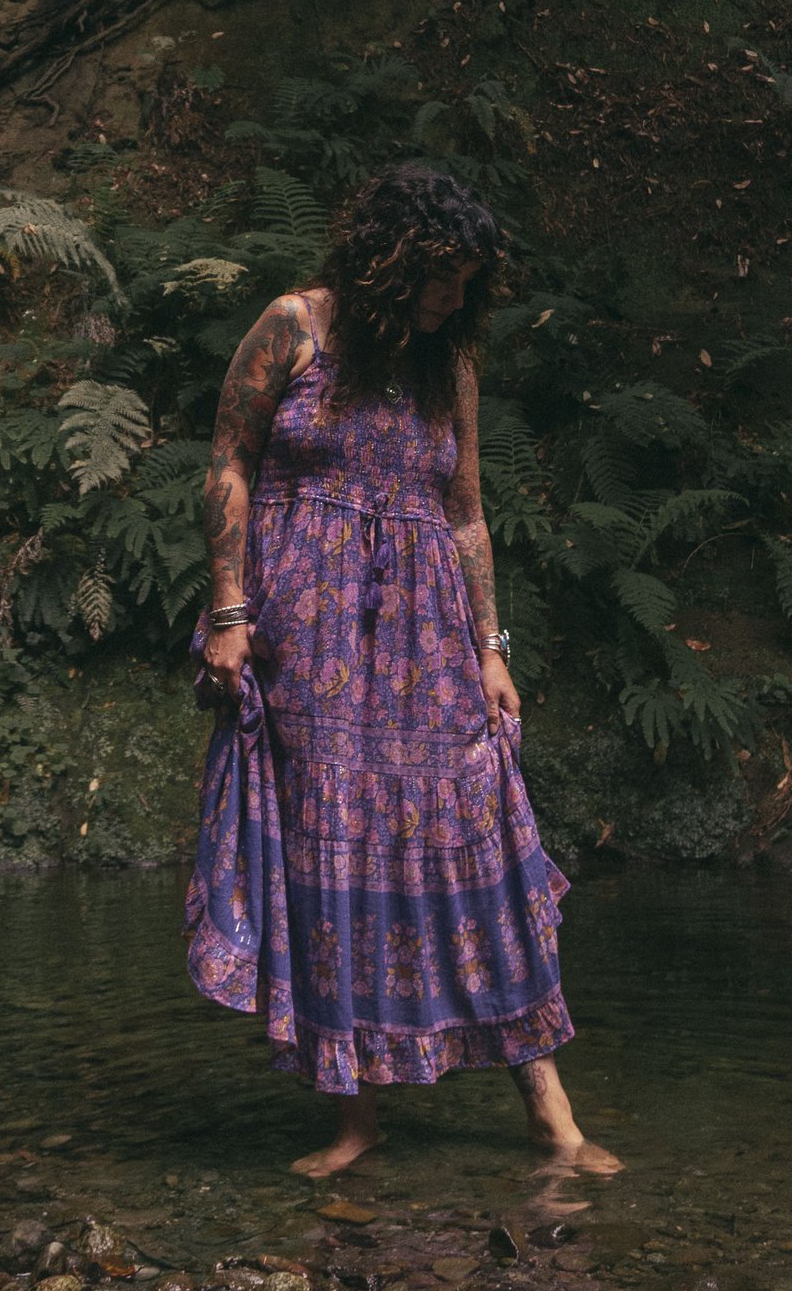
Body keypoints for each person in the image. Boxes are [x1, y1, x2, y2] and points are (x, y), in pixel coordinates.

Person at [186, 158, 617, 1179]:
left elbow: (465, 514)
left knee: (478, 842)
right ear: (388, 261)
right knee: (329, 858)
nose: (453, 299)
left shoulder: (446, 364)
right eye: (440, 277)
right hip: (309, 638)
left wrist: (492, 650)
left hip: (428, 643)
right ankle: (355, 1117)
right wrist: (229, 611)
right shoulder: (293, 327)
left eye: (467, 283)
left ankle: (551, 1111)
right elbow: (228, 461)